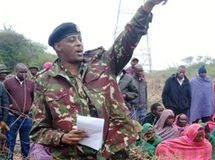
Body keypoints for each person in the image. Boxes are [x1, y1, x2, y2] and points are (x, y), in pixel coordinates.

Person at [30, 0, 168, 159]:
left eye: (79, 39)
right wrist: (62, 137)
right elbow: (38, 131)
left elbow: (129, 37)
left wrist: (148, 6)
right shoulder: (45, 81)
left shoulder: (103, 63)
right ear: (57, 46)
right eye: (71, 40)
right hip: (72, 155)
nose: (78, 44)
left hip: (113, 152)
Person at [4, 63, 35, 159]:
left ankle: (25, 158)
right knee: (10, 141)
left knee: (26, 141)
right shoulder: (7, 82)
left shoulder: (31, 83)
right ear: (16, 72)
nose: (24, 74)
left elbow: (34, 98)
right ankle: (8, 158)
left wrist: (31, 108)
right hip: (12, 117)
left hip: (27, 117)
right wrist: (10, 106)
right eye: (21, 72)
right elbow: (4, 98)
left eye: (26, 72)